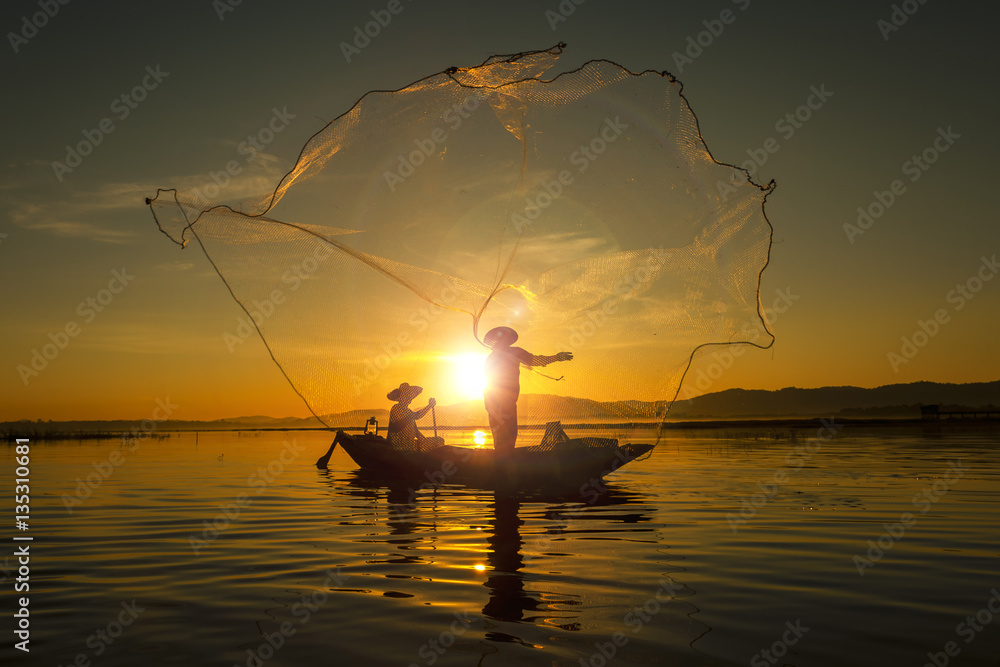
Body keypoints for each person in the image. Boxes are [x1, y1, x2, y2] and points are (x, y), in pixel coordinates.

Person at [482, 327, 573, 458]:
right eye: (503, 338)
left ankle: (503, 459)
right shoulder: (495, 356)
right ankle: (502, 461)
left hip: (499, 399)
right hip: (496, 399)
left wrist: (557, 357)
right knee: (503, 433)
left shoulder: (512, 352)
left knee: (505, 433)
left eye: (506, 338)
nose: (505, 340)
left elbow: (534, 360)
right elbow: (490, 376)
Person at [386, 383, 442, 449]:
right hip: (398, 444)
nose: (409, 399)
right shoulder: (396, 408)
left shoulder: (408, 411)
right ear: (400, 397)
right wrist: (429, 406)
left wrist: (425, 440)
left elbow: (416, 431)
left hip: (409, 443)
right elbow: (416, 416)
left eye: (409, 397)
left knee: (439, 440)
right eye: (406, 396)